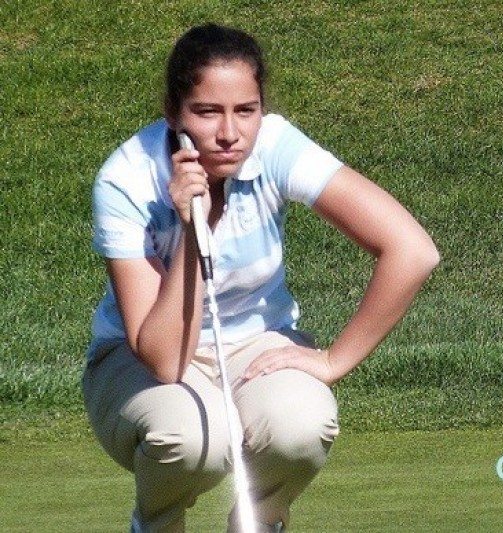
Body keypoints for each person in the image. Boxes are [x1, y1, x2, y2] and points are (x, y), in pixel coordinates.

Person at [82, 23, 439, 532]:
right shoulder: (126, 178)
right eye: (207, 112)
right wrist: (192, 228)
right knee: (193, 442)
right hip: (137, 357)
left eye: (245, 111)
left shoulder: (273, 145)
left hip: (256, 344)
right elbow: (163, 359)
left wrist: (334, 360)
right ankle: (156, 524)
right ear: (173, 114)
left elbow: (412, 250)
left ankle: (258, 523)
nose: (230, 133)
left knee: (301, 427)